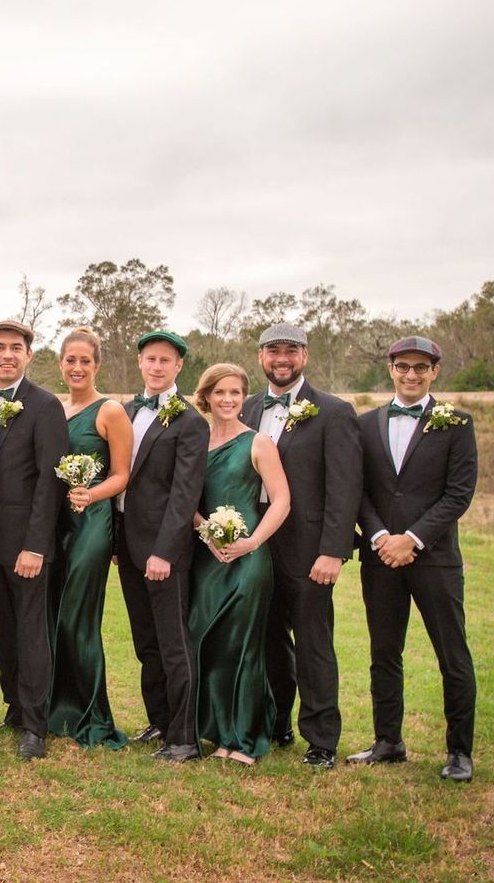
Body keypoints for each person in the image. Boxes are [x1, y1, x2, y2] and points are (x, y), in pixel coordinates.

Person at [350, 336, 478, 783]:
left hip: (435, 558)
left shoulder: (457, 423)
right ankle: (388, 742)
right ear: (390, 369)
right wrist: (383, 535)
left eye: (420, 367)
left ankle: (460, 752)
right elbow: (358, 490)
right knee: (384, 652)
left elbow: (459, 494)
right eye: (403, 366)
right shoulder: (366, 424)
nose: (411, 374)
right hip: (380, 556)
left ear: (434, 372)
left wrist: (414, 538)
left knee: (452, 654)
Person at [240, 323, 360, 769]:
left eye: (291, 351)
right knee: (268, 640)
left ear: (304, 357)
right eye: (273, 351)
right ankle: (277, 723)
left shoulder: (333, 411)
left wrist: (334, 550)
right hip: (257, 544)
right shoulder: (247, 408)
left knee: (312, 644)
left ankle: (322, 740)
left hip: (310, 550)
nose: (282, 359)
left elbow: (345, 488)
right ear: (260, 357)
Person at [0, 319, 70, 761]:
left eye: (16, 347)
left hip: (26, 544)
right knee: (2, 629)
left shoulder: (45, 406)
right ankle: (13, 707)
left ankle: (36, 725)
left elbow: (50, 484)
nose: (7, 354)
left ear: (29, 356)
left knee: (32, 633)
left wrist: (36, 545)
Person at [190, 363, 291, 765]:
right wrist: (205, 531)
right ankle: (217, 731)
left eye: (235, 392)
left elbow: (281, 499)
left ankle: (246, 738)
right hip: (207, 557)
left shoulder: (258, 443)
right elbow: (186, 501)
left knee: (243, 646)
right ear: (207, 397)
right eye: (220, 393)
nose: (228, 399)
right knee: (208, 642)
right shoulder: (196, 442)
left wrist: (252, 542)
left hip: (248, 559)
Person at [117, 330, 209, 762]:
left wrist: (165, 552)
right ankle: (159, 720)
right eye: (150, 359)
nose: (156, 367)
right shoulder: (126, 410)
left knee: (174, 642)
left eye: (165, 360)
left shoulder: (190, 422)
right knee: (146, 641)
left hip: (163, 551)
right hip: (126, 545)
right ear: (140, 363)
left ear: (178, 367)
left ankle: (185, 738)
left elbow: (184, 494)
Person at [47, 326, 129, 751]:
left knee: (80, 618)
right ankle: (58, 709)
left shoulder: (110, 411)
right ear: (61, 364)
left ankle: (92, 715)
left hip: (92, 523)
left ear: (96, 366)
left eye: (85, 361)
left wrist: (90, 493)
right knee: (55, 614)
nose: (77, 367)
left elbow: (122, 474)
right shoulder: (55, 408)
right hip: (56, 525)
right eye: (70, 360)